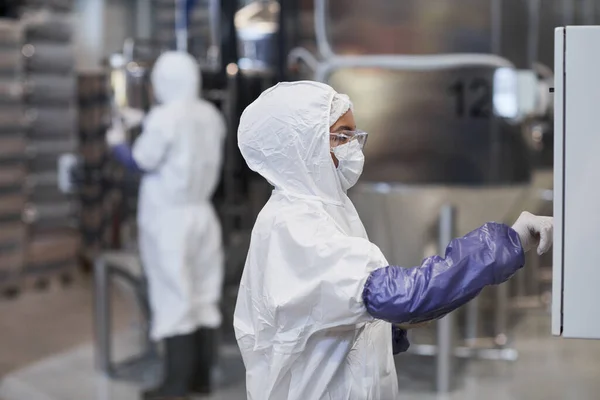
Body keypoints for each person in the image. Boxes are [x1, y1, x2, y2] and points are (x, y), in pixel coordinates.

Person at [233, 81, 553, 400]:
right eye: (342, 136)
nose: (354, 147)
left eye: (356, 136)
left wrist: (397, 325)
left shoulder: (327, 209)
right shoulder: (296, 225)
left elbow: (342, 311)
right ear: (303, 144)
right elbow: (400, 296)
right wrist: (507, 241)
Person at [106, 51, 226, 400]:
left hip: (170, 220)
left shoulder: (163, 117)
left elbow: (141, 160)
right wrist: (144, 119)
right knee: (204, 295)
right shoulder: (209, 114)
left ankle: (174, 387)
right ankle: (201, 379)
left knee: (175, 297)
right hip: (203, 216)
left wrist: (116, 144)